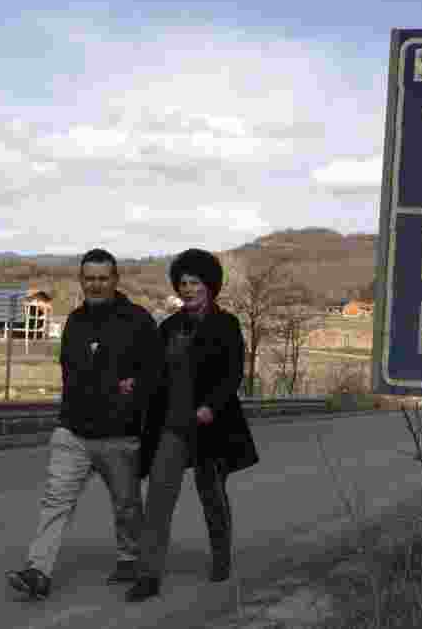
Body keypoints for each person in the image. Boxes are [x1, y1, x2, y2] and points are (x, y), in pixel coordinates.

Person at [6, 248, 160, 600]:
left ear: (116, 280)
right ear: (81, 280)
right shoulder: (75, 321)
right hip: (72, 431)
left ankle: (129, 556)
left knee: (126, 504)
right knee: (55, 501)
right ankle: (38, 571)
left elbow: (153, 374)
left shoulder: (138, 320)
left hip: (120, 434)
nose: (96, 284)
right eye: (89, 278)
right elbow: (70, 371)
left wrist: (133, 395)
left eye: (103, 278)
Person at [126, 248, 260, 602]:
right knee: (157, 500)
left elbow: (232, 373)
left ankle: (220, 556)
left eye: (195, 282)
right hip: (171, 425)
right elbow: (153, 372)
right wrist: (135, 383)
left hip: (210, 426)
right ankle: (148, 575)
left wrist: (211, 407)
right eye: (183, 283)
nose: (187, 289)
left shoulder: (226, 324)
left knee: (211, 494)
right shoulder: (168, 327)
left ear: (210, 286)